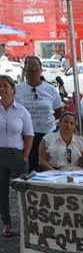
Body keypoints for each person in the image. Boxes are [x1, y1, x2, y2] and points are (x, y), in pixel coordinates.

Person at [15, 55, 63, 172]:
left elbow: (58, 110)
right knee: (29, 168)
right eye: (29, 66)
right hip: (26, 136)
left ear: (41, 69)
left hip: (47, 135)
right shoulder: (17, 89)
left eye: (36, 66)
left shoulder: (50, 89)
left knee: (47, 168)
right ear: (25, 69)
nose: (33, 69)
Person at [0, 74, 33, 237]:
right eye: (0, 86)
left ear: (13, 89)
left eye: (5, 86)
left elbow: (29, 135)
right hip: (0, 154)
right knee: (2, 192)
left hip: (17, 154)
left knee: (21, 191)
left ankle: (26, 224)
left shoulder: (21, 110)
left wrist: (25, 157)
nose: (2, 89)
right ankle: (6, 223)